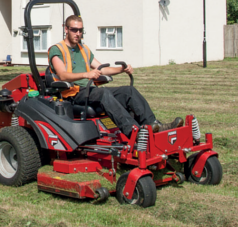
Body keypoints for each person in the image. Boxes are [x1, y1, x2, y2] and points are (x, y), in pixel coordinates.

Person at [48, 15, 182, 139]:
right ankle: (134, 131)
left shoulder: (83, 49)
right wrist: (86, 74)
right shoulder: (57, 50)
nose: (78, 34)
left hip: (90, 91)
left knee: (128, 91)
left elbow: (102, 69)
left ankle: (154, 125)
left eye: (80, 30)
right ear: (66, 29)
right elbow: (63, 75)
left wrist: (121, 69)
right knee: (103, 93)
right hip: (73, 93)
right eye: (74, 30)